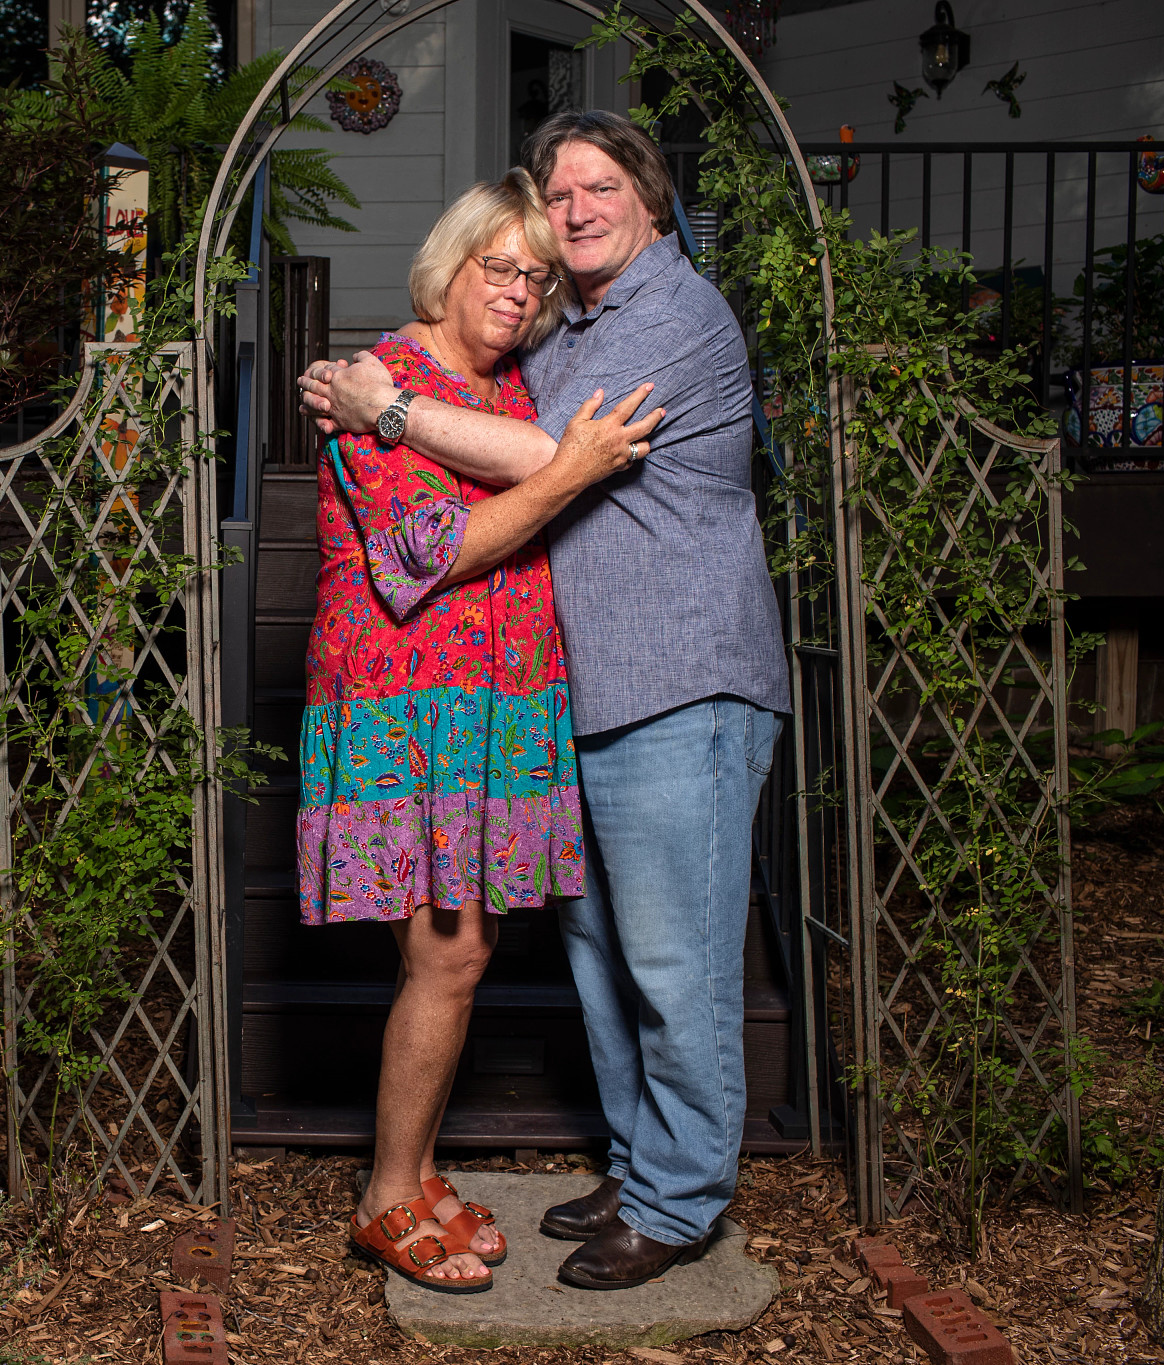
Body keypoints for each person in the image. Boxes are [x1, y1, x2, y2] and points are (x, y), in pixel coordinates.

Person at [301, 110, 788, 1292]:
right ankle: (636, 1163)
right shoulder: (568, 328)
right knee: (607, 966)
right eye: (551, 196)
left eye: (598, 187)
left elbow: (553, 456)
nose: (570, 214)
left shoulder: (672, 315)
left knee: (675, 969)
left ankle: (676, 1202)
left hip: (681, 685)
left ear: (650, 198)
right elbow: (514, 427)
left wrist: (392, 409)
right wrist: (384, 392)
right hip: (556, 705)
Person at [305, 167, 663, 1294]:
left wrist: (558, 458)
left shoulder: (506, 390)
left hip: (496, 705)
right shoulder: (378, 377)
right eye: (496, 265)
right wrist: (573, 473)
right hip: (404, 707)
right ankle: (384, 1197)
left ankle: (407, 1178)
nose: (517, 289)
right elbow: (430, 555)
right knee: (447, 953)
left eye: (536, 274)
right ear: (449, 265)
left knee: (463, 953)